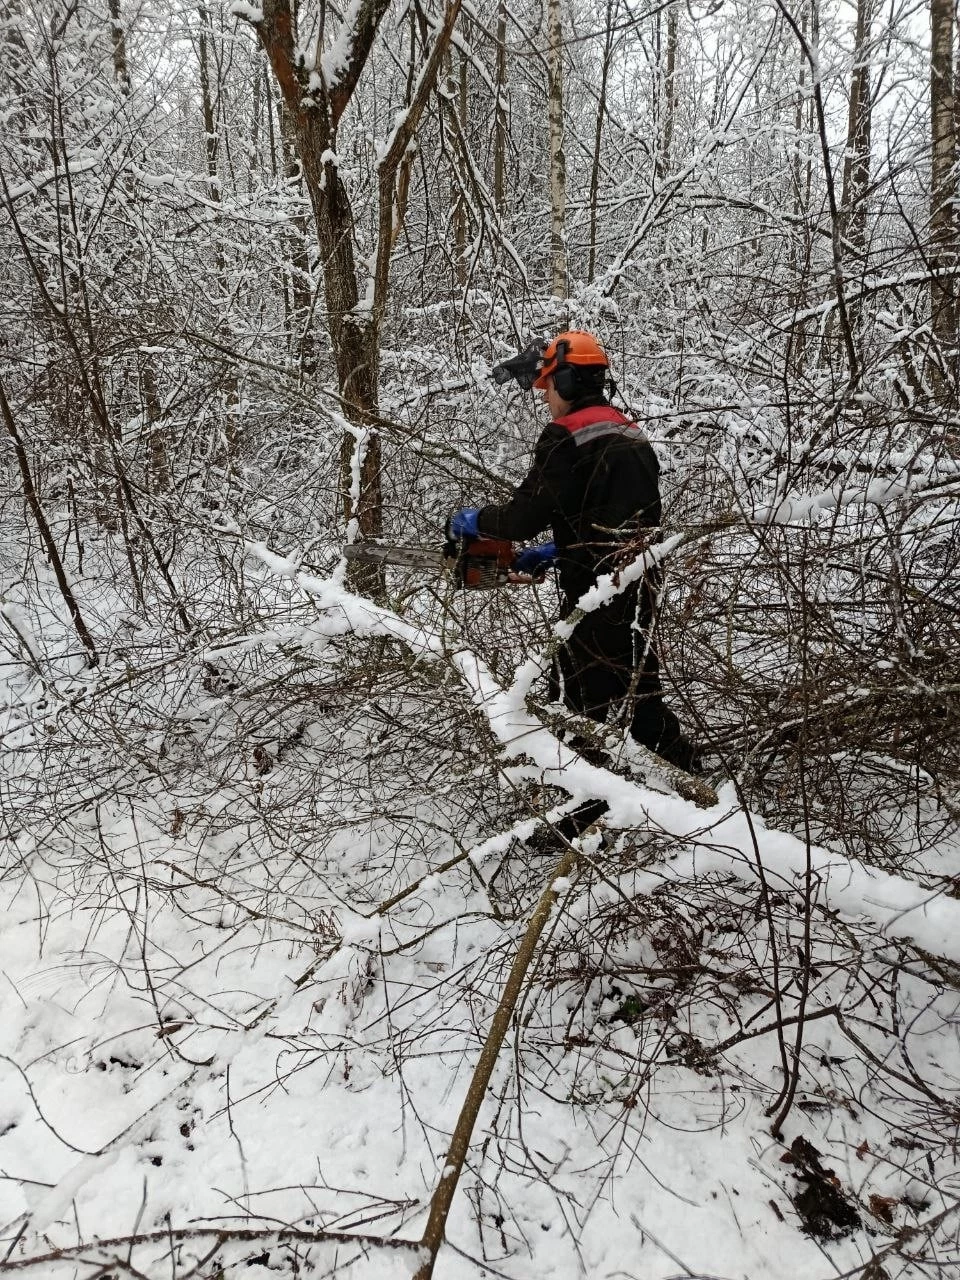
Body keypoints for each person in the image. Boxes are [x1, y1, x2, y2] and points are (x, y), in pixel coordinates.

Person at [450, 330, 697, 787]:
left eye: (547, 388)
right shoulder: (627, 428)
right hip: (639, 577)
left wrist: (476, 520)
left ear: (565, 380)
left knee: (576, 698)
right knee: (640, 680)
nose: (546, 400)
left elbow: (525, 516)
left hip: (594, 591)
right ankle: (685, 777)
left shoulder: (567, 433)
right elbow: (617, 513)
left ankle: (580, 810)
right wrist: (559, 551)